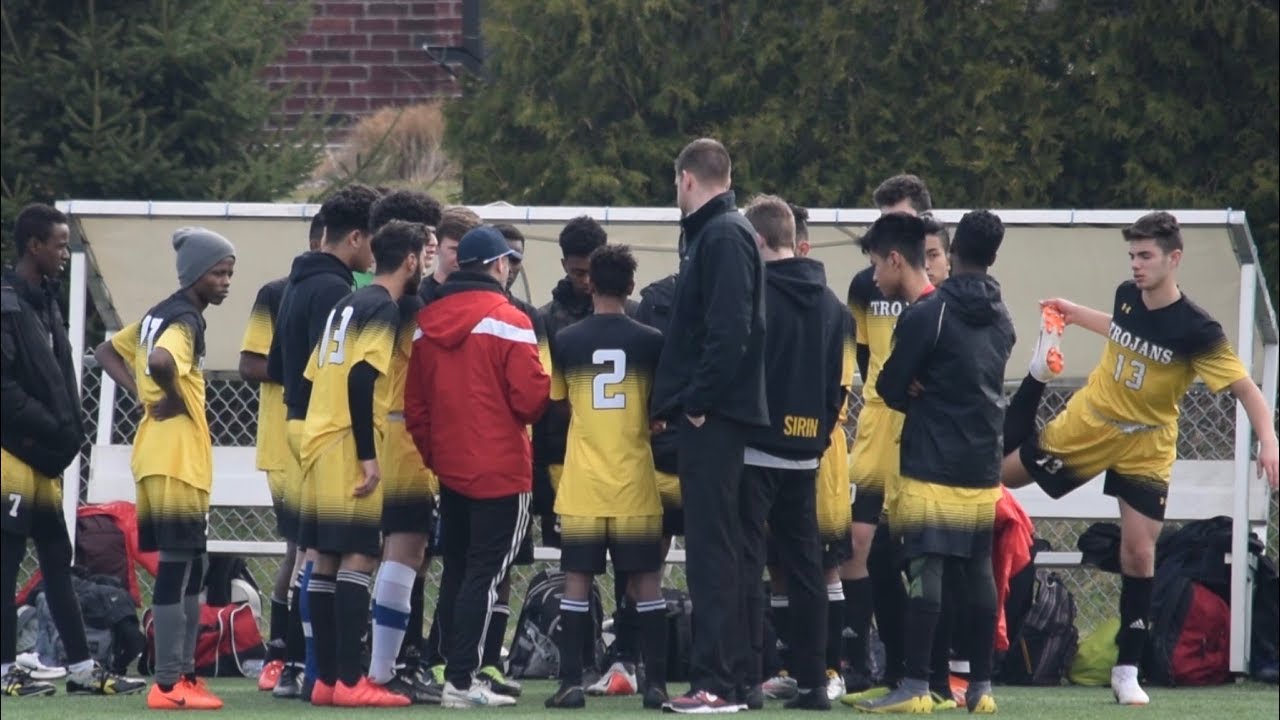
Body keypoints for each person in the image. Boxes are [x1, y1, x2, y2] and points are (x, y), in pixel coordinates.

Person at [1000, 210, 1280, 705]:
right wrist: (1072, 311)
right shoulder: (1127, 295)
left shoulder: (1197, 329)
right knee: (999, 478)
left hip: (1147, 444)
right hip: (1091, 424)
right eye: (1132, 255)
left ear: (1175, 259)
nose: (1136, 264)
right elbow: (1120, 328)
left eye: (1146, 256)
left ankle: (1127, 668)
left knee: (1139, 552)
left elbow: (1245, 388)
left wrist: (1269, 440)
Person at [850, 210, 1013, 715]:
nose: (876, 275)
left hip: (931, 459)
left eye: (878, 264)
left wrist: (920, 389)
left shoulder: (929, 313)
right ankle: (981, 688)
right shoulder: (1003, 314)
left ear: (954, 249)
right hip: (983, 463)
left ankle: (916, 683)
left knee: (928, 572)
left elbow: (890, 386)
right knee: (979, 573)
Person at [0, 204, 146, 698]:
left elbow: (54, 377)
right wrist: (53, 428)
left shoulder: (45, 301)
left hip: (44, 458)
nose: (65, 253)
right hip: (14, 456)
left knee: (59, 560)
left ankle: (83, 669)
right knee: (7, 559)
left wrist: (64, 433)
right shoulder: (7, 301)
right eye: (59, 244)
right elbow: (5, 389)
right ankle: (5, 673)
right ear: (34, 245)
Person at [405, 225, 551, 709]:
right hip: (502, 468)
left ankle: (451, 670)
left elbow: (417, 408)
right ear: (499, 264)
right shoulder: (509, 318)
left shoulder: (426, 321)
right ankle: (463, 682)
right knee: (485, 576)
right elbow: (530, 400)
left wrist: (439, 457)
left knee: (458, 571)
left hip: (452, 468)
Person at [95, 226, 237, 710]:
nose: (225, 281)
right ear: (195, 274)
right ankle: (168, 683)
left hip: (160, 455)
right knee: (179, 570)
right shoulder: (184, 321)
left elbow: (108, 351)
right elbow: (157, 360)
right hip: (175, 460)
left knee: (191, 566)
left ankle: (186, 677)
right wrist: (170, 397)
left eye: (228, 273)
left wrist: (141, 394)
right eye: (218, 273)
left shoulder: (160, 312)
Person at [650, 138, 768, 714]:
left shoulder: (720, 235)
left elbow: (729, 329)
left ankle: (716, 682)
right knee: (724, 546)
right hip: (721, 413)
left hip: (714, 417)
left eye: (675, 184)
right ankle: (737, 678)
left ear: (688, 179)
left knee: (712, 551)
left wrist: (697, 401)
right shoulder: (725, 233)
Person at [297, 220, 426, 707]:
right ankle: (353, 682)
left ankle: (327, 681)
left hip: (320, 440)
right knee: (358, 558)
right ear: (410, 260)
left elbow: (313, 375)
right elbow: (360, 379)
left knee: (326, 562)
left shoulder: (345, 304)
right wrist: (369, 459)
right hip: (350, 442)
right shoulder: (382, 308)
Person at [542, 245, 670, 710]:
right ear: (632, 287)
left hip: (583, 483)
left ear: (590, 284)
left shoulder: (568, 340)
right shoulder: (652, 341)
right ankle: (655, 684)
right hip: (635, 480)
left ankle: (571, 682)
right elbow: (662, 408)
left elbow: (558, 402)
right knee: (646, 583)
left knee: (576, 581)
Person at [267, 183, 379, 701]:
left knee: (313, 553)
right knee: (336, 553)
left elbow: (273, 368)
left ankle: (312, 672)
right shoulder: (336, 291)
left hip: (296, 423)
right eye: (370, 239)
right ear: (354, 237)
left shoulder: (293, 283)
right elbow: (338, 373)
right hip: (324, 428)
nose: (373, 251)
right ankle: (328, 673)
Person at [736, 196, 847, 711]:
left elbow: (741, 367)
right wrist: (817, 436)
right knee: (808, 570)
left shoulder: (753, 293)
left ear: (757, 241)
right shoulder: (833, 307)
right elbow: (836, 388)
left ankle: (747, 679)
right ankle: (814, 682)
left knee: (748, 563)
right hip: (805, 452)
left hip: (755, 446)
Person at [841, 174, 932, 699]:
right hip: (876, 421)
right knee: (858, 543)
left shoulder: (938, 280)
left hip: (920, 427)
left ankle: (926, 668)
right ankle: (867, 661)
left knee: (918, 551)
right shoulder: (864, 286)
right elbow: (861, 357)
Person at [361, 193, 443, 704]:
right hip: (402, 437)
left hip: (366, 435)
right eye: (428, 242)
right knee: (404, 551)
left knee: (354, 556)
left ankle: (344, 666)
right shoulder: (410, 306)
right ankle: (382, 669)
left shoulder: (359, 298)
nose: (432, 253)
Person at [238, 211, 325, 694]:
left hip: (330, 443)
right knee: (297, 551)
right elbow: (250, 363)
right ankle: (280, 654)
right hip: (286, 444)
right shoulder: (277, 292)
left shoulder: (352, 296)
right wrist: (302, 374)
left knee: (324, 552)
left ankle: (310, 655)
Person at [413, 205, 482, 686]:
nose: (461, 259)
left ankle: (446, 652)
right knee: (413, 555)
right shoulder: (418, 299)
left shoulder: (483, 301)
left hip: (466, 449)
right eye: (455, 249)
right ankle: (410, 653)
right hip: (423, 446)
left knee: (460, 559)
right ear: (439, 245)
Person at [418, 206, 483, 305]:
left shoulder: (487, 296)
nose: (463, 257)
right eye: (455, 250)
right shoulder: (419, 297)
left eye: (471, 249)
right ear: (437, 246)